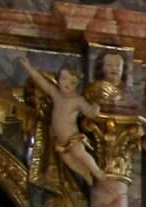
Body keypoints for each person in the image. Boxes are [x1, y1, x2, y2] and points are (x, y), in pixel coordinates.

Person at [18, 57, 105, 186]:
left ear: (77, 85)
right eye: (64, 79)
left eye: (72, 82)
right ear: (58, 79)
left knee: (80, 154)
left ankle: (97, 171)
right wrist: (28, 67)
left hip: (72, 137)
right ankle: (85, 173)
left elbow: (89, 112)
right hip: (59, 139)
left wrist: (96, 108)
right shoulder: (56, 94)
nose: (67, 84)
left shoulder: (77, 100)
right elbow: (41, 82)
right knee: (68, 160)